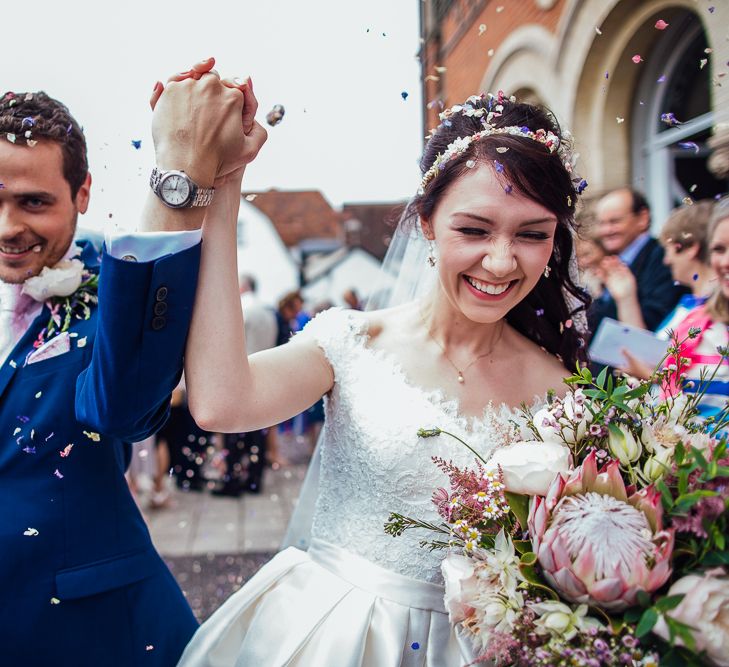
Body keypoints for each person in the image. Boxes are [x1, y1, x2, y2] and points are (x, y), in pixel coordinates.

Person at [177, 81, 589, 666]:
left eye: (532, 234)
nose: (501, 262)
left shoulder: (564, 394)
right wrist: (224, 187)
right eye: (473, 230)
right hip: (337, 633)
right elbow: (220, 402)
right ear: (425, 222)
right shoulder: (352, 343)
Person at [0, 59, 265, 666]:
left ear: (82, 192)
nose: (9, 227)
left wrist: (183, 171)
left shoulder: (112, 287)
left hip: (94, 631)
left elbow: (122, 410)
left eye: (34, 202)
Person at [213, 273, 277, 496]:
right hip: (263, 376)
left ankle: (232, 480)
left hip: (239, 377)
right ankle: (254, 479)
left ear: (242, 288)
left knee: (235, 434)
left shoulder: (240, 310)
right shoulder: (267, 313)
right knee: (257, 433)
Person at [587, 187, 685, 333]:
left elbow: (657, 321)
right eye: (601, 223)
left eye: (615, 221)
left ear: (643, 218)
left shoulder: (663, 258)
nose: (606, 230)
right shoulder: (611, 261)